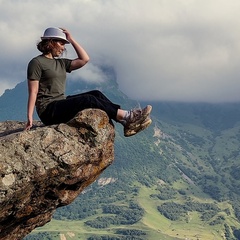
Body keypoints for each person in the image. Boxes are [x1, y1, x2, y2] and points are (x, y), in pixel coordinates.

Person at [25, 27, 152, 137]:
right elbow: (34, 91)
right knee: (88, 99)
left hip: (60, 103)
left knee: (96, 94)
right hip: (49, 110)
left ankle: (125, 123)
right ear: (51, 42)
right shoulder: (36, 63)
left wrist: (71, 39)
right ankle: (128, 116)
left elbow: (84, 59)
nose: (63, 48)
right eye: (61, 43)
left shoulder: (61, 63)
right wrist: (30, 117)